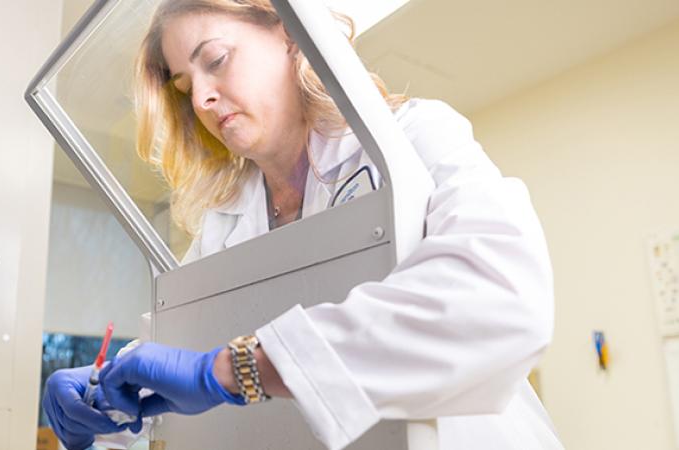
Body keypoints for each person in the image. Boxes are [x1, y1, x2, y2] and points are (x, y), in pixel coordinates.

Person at [43, 0, 562, 449]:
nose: (201, 97)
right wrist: (103, 397)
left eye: (216, 61)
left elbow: (499, 297)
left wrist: (233, 370)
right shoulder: (223, 224)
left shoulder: (409, 140)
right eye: (185, 85)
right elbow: (178, 361)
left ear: (289, 32)